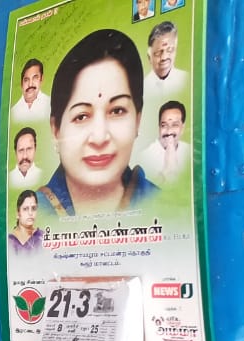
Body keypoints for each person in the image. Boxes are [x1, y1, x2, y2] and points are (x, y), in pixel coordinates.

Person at [37, 29, 160, 217]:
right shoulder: (32, 214)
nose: (100, 137)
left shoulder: (164, 206)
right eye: (81, 116)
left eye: (117, 111)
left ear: (137, 120)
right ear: (56, 130)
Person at [142, 22, 189, 121]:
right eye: (158, 53)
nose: (164, 57)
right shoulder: (142, 88)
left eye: (170, 50)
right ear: (149, 56)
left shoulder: (187, 80)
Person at [136, 101, 191, 184]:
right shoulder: (145, 157)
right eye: (164, 125)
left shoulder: (190, 152)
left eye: (175, 125)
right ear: (159, 127)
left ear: (182, 128)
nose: (169, 131)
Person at [11, 58, 51, 125]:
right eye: (26, 80)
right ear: (21, 84)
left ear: (41, 79)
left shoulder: (50, 105)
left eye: (35, 78)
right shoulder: (13, 112)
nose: (30, 84)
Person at [9, 190, 44, 255]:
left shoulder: (42, 237)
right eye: (25, 209)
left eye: (33, 208)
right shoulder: (9, 240)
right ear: (18, 213)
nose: (30, 213)